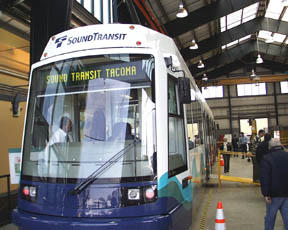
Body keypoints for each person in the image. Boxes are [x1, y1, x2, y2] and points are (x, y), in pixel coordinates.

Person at [260, 138, 288, 230]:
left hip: (273, 194)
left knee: (270, 219)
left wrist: (266, 193)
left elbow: (265, 178)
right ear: (280, 145)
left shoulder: (267, 158)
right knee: (287, 218)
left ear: (270, 147)